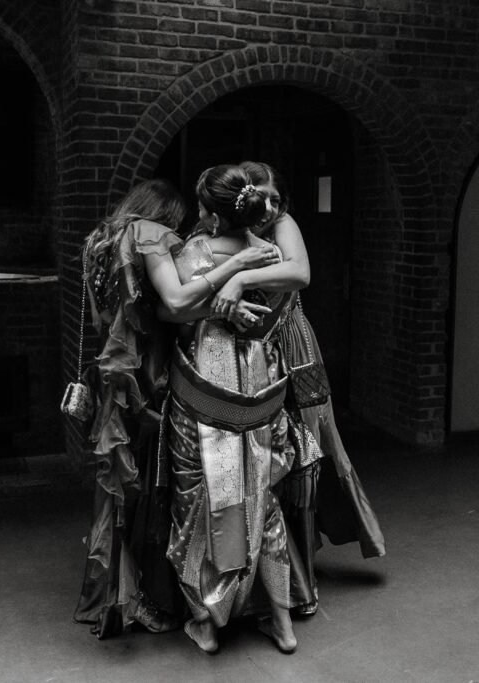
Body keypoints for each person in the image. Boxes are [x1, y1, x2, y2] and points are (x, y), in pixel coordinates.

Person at [164, 164, 385, 655]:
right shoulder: (273, 254)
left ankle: (208, 621)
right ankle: (282, 624)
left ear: (212, 217)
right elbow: (296, 279)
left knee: (203, 503)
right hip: (264, 395)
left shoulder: (192, 252)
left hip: (207, 399)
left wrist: (219, 296)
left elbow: (173, 310)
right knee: (263, 505)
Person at [72, 178, 280, 639]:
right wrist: (239, 269)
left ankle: (118, 597)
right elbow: (176, 300)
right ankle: (143, 599)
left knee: (121, 489)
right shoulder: (149, 233)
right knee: (151, 486)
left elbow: (102, 315)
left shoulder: (99, 240)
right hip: (147, 372)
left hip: (112, 372)